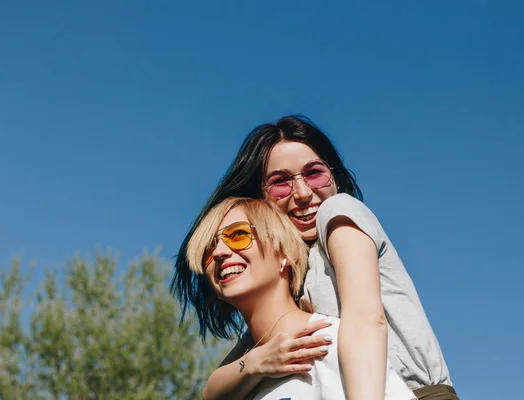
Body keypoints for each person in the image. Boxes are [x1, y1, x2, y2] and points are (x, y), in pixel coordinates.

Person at [172, 115, 459, 400]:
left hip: (414, 392)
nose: (302, 193)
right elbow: (215, 388)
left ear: (334, 176)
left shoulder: (339, 213)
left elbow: (365, 321)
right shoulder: (291, 277)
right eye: (280, 182)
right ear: (263, 197)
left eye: (314, 173)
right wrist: (255, 363)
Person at [186, 197, 417, 400]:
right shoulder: (241, 382)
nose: (218, 253)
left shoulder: (330, 342)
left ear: (284, 255)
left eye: (238, 235)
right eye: (208, 248)